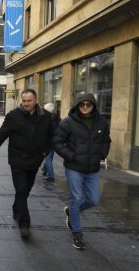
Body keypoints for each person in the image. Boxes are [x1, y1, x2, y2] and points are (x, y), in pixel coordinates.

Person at [0, 89, 53, 239]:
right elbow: (0, 136)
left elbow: (52, 136)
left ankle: (16, 207)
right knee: (21, 190)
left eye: (29, 101)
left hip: (35, 160)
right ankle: (24, 225)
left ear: (36, 100)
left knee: (25, 190)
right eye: (24, 101)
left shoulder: (46, 117)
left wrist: (45, 151)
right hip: (17, 160)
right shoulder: (13, 116)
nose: (26, 103)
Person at [53, 93, 111, 250]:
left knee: (93, 200)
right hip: (74, 168)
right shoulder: (68, 122)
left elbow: (106, 140)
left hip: (92, 168)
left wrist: (102, 154)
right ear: (77, 106)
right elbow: (57, 142)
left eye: (88, 104)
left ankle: (71, 212)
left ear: (93, 106)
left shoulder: (101, 123)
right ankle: (77, 233)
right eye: (82, 104)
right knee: (76, 198)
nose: (85, 107)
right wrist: (71, 156)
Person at [41, 102, 61, 181]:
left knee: (48, 158)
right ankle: (45, 170)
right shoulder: (58, 118)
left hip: (48, 141)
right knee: (49, 157)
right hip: (56, 141)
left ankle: (50, 175)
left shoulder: (47, 118)